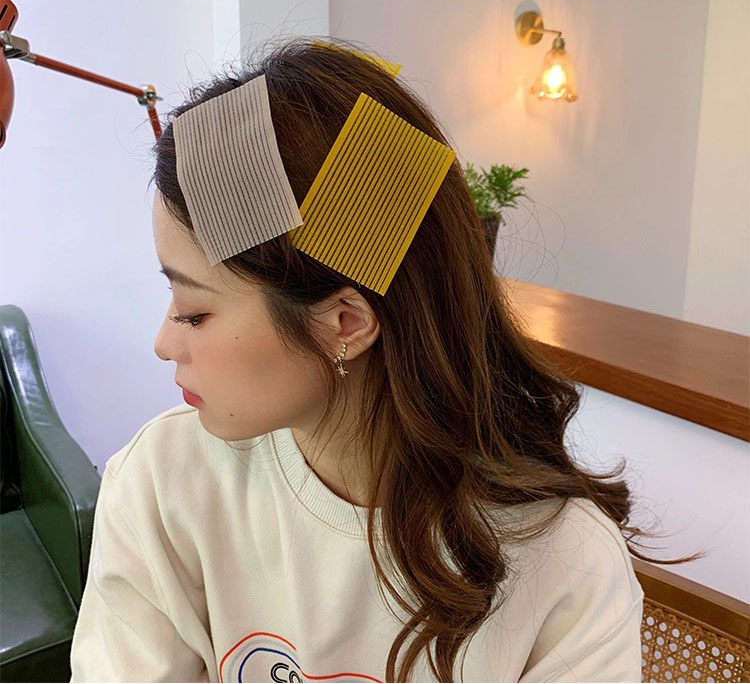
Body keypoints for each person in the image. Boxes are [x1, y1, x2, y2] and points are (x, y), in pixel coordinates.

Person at [69, 37, 703, 683]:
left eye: (192, 311)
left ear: (345, 323)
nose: (164, 342)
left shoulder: (564, 565)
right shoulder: (164, 482)